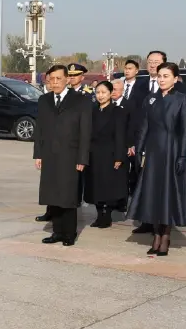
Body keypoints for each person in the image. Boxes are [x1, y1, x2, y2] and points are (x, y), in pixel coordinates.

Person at [127, 62, 186, 256]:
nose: (161, 79)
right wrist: (140, 150)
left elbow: (185, 130)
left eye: (166, 76)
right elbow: (144, 127)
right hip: (153, 153)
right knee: (153, 195)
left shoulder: (183, 100)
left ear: (175, 79)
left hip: (172, 151)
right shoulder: (150, 99)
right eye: (160, 76)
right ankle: (155, 235)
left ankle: (165, 236)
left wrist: (183, 155)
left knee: (168, 195)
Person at [32, 63, 91, 246]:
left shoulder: (81, 100)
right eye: (52, 79)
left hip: (70, 155)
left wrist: (82, 158)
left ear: (67, 79)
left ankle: (69, 233)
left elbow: (85, 131)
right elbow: (40, 129)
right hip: (50, 154)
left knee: (68, 195)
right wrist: (38, 154)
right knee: (53, 194)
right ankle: (56, 232)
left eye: (59, 79)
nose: (55, 82)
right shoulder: (44, 100)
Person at [129, 50, 168, 234]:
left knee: (161, 183)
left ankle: (162, 222)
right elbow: (133, 114)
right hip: (141, 142)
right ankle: (145, 220)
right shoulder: (139, 84)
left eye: (156, 62)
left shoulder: (174, 87)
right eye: (150, 61)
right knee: (141, 182)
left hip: (163, 144)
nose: (152, 65)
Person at [85, 80, 128, 228]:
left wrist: (118, 156)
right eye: (97, 92)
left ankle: (107, 216)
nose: (100, 96)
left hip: (110, 154)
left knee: (108, 187)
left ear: (111, 93)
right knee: (95, 186)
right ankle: (98, 215)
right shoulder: (92, 110)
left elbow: (120, 136)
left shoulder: (118, 111)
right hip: (94, 154)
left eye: (103, 92)